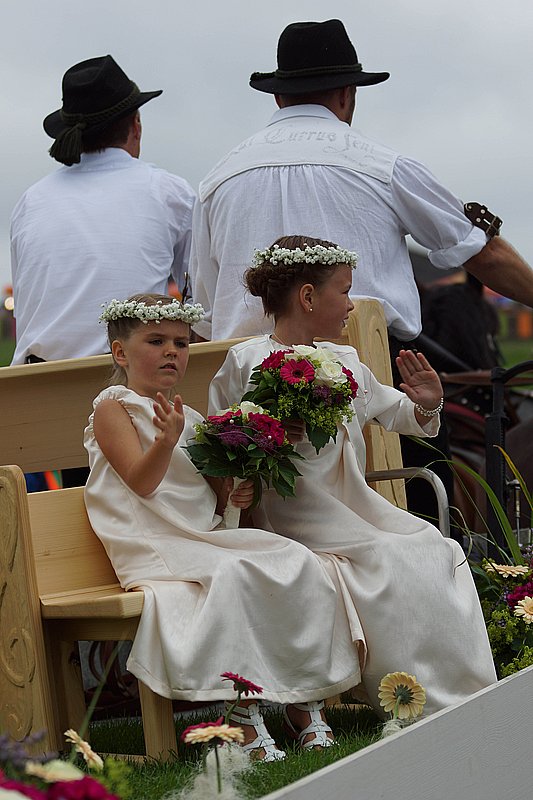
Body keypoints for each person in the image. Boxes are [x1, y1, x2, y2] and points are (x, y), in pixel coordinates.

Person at [190, 17, 533, 522]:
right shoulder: (383, 165)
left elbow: (203, 316)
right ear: (347, 95)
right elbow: (482, 253)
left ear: (279, 97)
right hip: (366, 371)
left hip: (248, 387)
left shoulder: (215, 181)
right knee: (426, 523)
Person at [209, 236, 497, 715]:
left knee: (435, 546)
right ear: (307, 296)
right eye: (343, 291)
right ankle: (408, 699)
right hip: (291, 511)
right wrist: (268, 430)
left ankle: (464, 692)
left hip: (353, 505)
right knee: (386, 559)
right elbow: (221, 437)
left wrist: (427, 402)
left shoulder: (345, 361)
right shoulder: (247, 361)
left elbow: (398, 412)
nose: (350, 304)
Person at [83, 292, 362, 761]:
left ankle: (303, 699)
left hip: (199, 536)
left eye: (181, 343)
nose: (172, 351)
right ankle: (241, 712)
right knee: (233, 575)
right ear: (120, 352)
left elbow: (209, 500)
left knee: (297, 559)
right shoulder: (114, 407)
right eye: (156, 341)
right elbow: (142, 482)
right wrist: (165, 441)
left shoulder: (188, 418)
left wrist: (235, 494)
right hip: (150, 541)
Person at [10, 55, 195, 365]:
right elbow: (201, 303)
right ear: (136, 125)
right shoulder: (169, 193)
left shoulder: (30, 202)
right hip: (129, 379)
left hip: (33, 378)